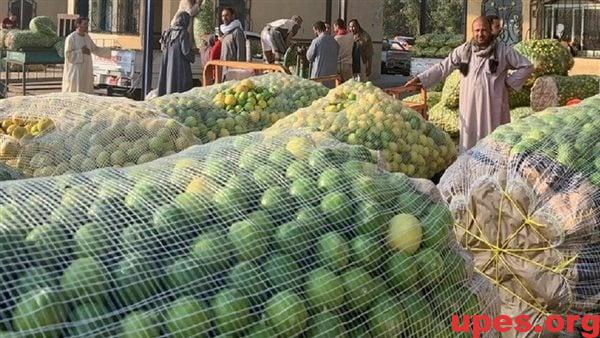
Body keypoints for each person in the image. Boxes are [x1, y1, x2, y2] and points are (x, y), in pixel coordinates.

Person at [405, 16, 534, 153]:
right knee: (468, 148)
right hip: (469, 108)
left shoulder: (503, 51)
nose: (480, 34)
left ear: (490, 31)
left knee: (494, 147)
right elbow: (443, 67)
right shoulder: (463, 51)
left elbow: (527, 66)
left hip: (492, 110)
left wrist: (509, 83)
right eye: (477, 30)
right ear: (472, 32)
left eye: (484, 30)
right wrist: (420, 79)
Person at [62, 17, 112, 94]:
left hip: (86, 68)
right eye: (84, 24)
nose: (86, 26)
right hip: (76, 70)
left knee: (86, 88)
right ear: (78, 24)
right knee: (75, 89)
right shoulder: (71, 38)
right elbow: (68, 55)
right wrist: (81, 51)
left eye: (87, 24)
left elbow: (95, 49)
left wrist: (110, 50)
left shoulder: (87, 37)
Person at [157, 11, 195, 96]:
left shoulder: (167, 32)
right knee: (179, 89)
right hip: (179, 67)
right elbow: (186, 51)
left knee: (168, 83)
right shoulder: (183, 33)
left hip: (167, 66)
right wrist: (192, 57)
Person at [306, 21, 339, 87]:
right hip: (332, 75)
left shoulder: (317, 41)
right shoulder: (334, 41)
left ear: (317, 29)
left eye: (314, 30)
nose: (314, 32)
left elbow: (309, 57)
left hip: (319, 75)